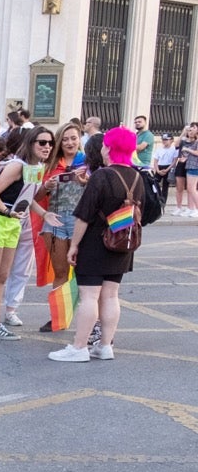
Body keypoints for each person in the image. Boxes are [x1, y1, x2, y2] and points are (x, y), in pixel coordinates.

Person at [50, 127, 158, 362]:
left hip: (96, 242)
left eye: (104, 144)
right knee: (111, 295)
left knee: (89, 296)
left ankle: (79, 347)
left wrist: (74, 245)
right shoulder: (137, 176)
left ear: (109, 147)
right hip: (123, 241)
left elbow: (84, 215)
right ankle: (105, 345)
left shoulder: (101, 175)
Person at [0, 127, 47, 342]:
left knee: (2, 277)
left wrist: (44, 214)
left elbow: (28, 197)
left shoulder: (37, 167)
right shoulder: (16, 166)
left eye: (49, 143)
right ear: (31, 144)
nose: (47, 147)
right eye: (42, 142)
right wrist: (7, 211)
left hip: (13, 224)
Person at [35, 124, 84, 332]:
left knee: (84, 272)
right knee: (61, 270)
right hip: (54, 220)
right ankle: (59, 318)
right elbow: (33, 198)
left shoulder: (88, 162)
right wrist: (46, 186)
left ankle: (88, 319)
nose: (70, 143)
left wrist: (87, 181)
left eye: (73, 138)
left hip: (80, 221)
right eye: (65, 139)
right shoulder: (49, 165)